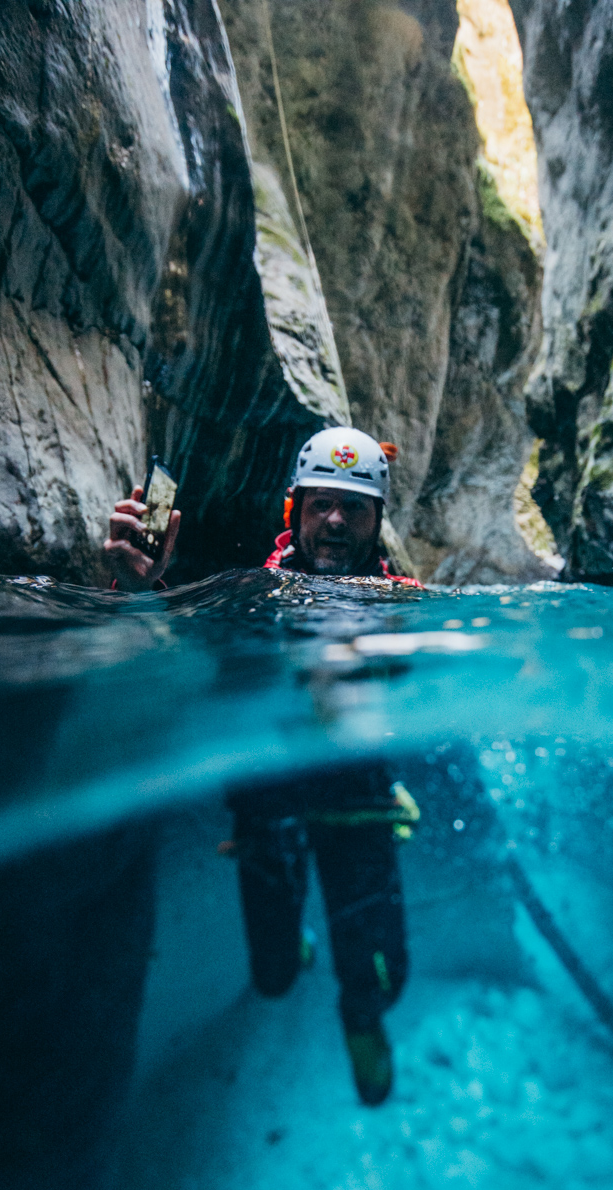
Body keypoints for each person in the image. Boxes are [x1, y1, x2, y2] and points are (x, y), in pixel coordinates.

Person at [104, 427, 420, 1105]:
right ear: (295, 511)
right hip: (267, 806)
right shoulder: (246, 595)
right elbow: (171, 653)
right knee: (273, 974)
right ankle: (296, 959)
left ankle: (360, 1017)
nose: (335, 520)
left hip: (359, 806)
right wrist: (138, 591)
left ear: (378, 520)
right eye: (321, 504)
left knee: (384, 975)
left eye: (354, 506)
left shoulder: (406, 607)